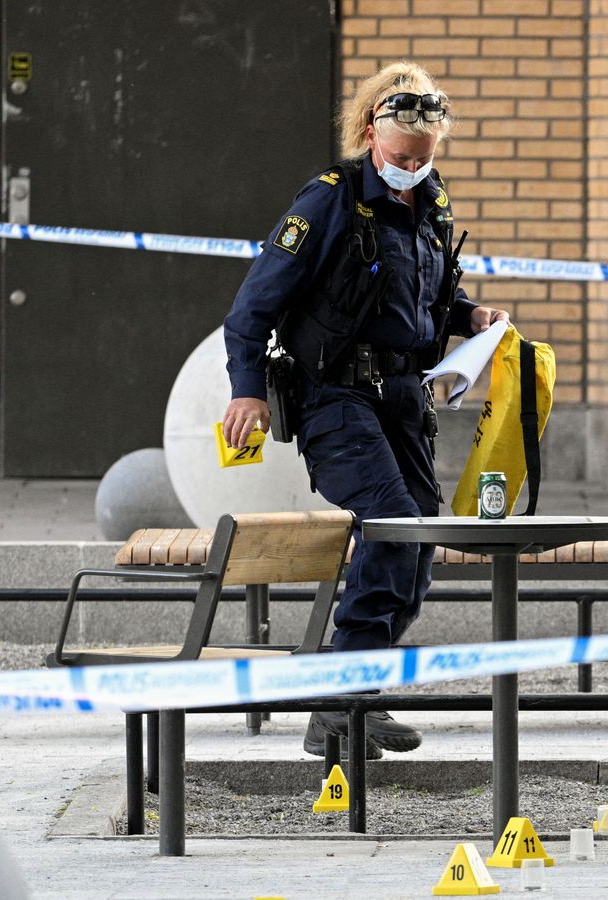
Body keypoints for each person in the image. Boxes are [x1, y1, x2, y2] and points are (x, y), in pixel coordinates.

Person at [222, 61, 509, 757]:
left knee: (416, 545)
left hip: (404, 397)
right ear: (371, 132)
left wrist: (473, 319)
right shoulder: (328, 201)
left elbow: (428, 303)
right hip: (334, 396)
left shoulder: (434, 204)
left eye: (424, 154)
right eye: (401, 155)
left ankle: (352, 692)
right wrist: (247, 389)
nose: (412, 166)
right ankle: (344, 696)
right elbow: (250, 311)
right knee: (391, 521)